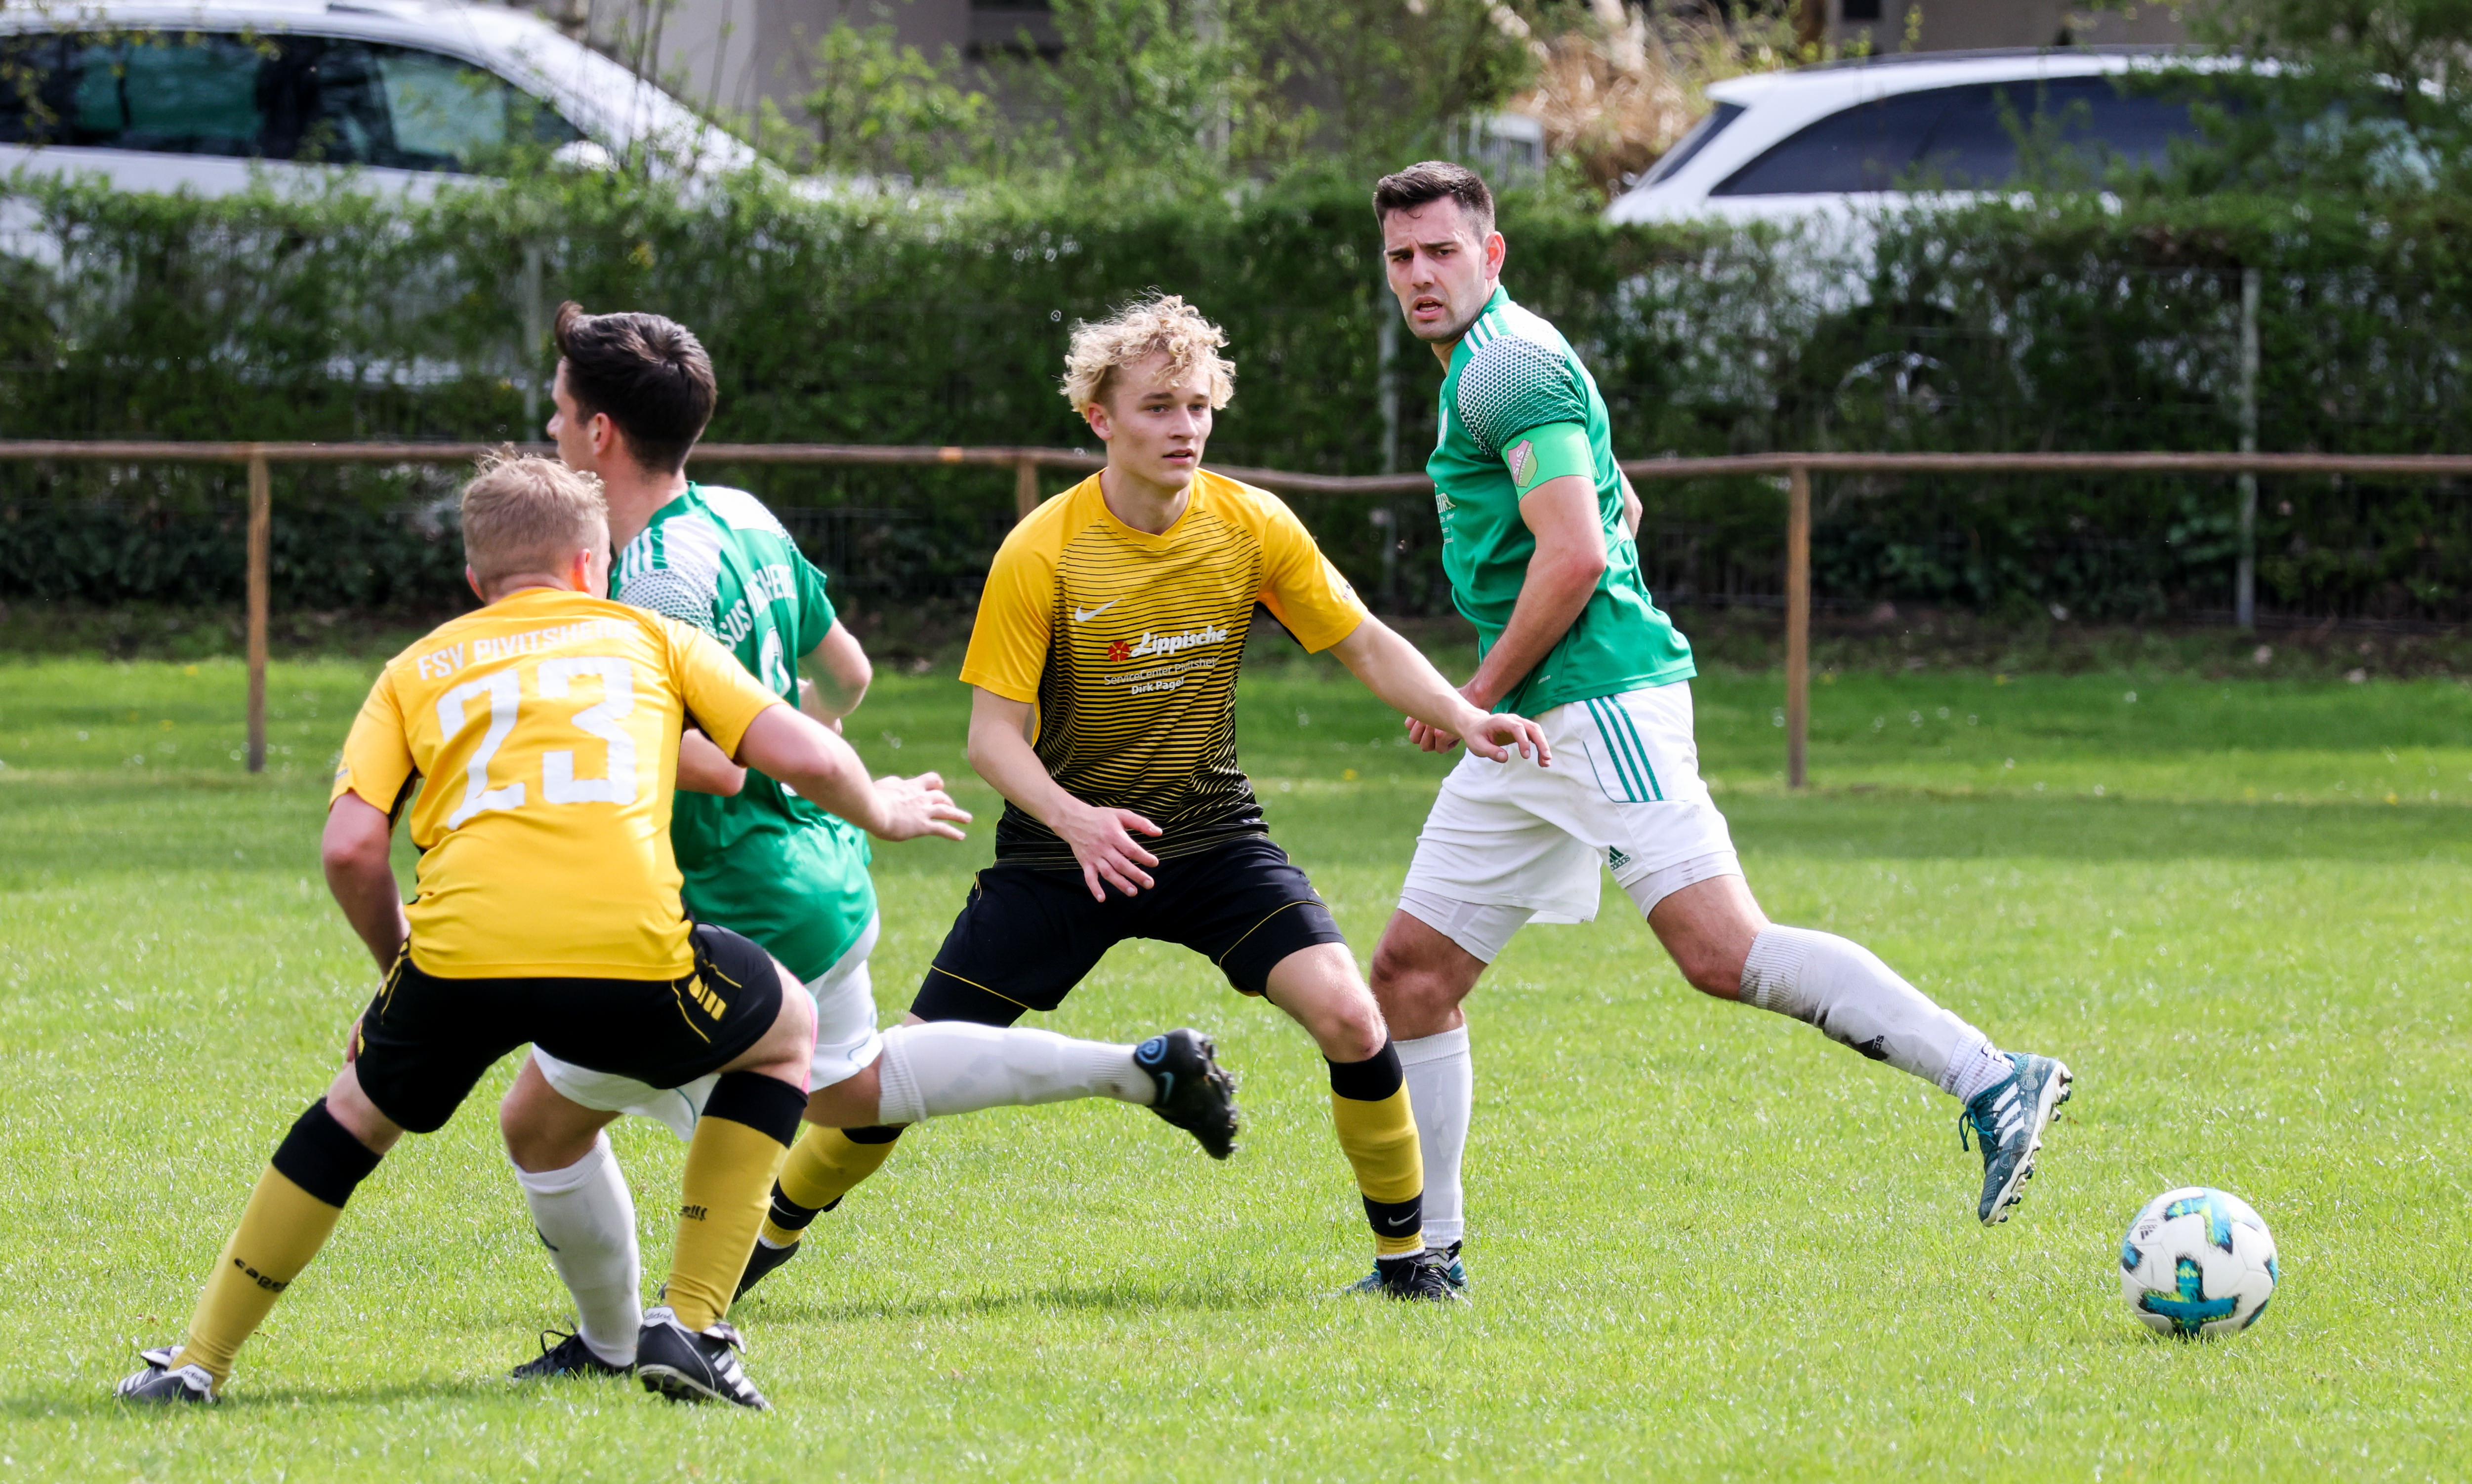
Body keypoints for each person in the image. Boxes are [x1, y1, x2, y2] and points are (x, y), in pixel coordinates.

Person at [735, 292, 1549, 1303]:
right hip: (1060, 858)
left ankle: (1408, 1266)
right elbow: (992, 739)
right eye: (1159, 407)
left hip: (1212, 839)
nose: (1185, 427)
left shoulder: (1251, 523)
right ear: (1101, 418)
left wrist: (1465, 714)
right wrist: (1075, 821)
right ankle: (760, 1242)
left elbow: (1365, 642)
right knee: (897, 1074)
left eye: (1199, 406)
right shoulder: (1044, 549)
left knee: (1351, 1014)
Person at [115, 454, 970, 1409]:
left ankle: (197, 1362)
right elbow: (806, 754)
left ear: (475, 579)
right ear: (593, 566)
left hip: (459, 955)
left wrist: (398, 972)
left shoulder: (413, 669)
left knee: (354, 1114)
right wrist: (884, 810)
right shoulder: (650, 637)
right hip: (629, 948)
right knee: (786, 1029)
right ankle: (693, 1325)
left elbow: (352, 848)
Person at [1359, 161, 2073, 1292]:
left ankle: (1992, 1077)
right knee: (1410, 975)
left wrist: (1474, 696)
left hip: (1594, 702)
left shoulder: (1505, 365)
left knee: (1722, 951)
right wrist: (1499, 695)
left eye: (1442, 251)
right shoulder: (1491, 366)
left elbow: (1578, 554)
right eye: (1402, 257)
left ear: (1490, 255)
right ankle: (1424, 1264)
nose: (1420, 275)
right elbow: (1622, 505)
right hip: (1539, 719)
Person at [496, 303, 1243, 1371]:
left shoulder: (650, 579)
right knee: (855, 1085)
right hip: (816, 873)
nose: (552, 431)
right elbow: (846, 673)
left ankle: (639, 1339)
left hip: (728, 893)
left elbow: (712, 760)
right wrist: (814, 761)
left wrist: (563, 737)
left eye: (561, 413)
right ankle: (1137, 1070)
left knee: (552, 1116)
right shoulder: (743, 518)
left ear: (600, 432)